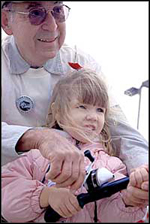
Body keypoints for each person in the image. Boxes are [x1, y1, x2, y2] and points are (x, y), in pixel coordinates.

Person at [1, 1, 148, 205]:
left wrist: (142, 175)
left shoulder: (83, 63)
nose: (52, 25)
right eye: (35, 12)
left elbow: (121, 132)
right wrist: (38, 137)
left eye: (58, 11)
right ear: (6, 21)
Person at [2, 69, 148, 223]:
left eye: (100, 110)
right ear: (57, 112)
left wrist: (130, 200)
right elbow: (7, 201)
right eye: (82, 107)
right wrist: (46, 196)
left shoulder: (113, 165)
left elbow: (112, 215)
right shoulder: (35, 155)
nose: (93, 116)